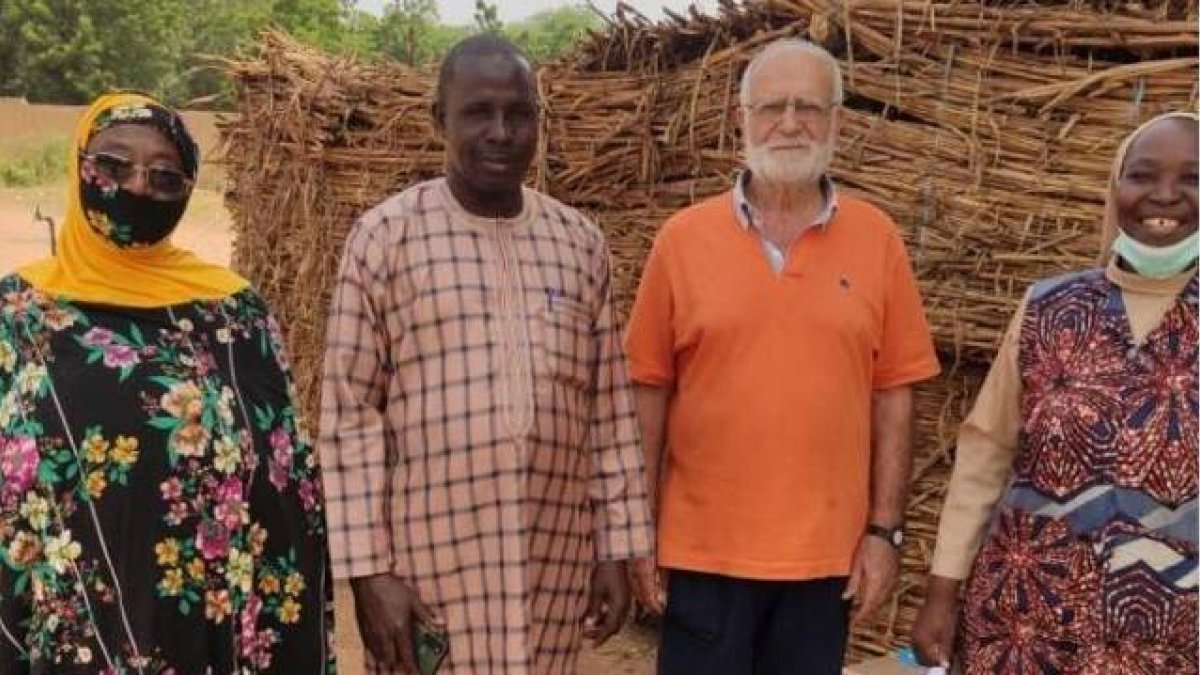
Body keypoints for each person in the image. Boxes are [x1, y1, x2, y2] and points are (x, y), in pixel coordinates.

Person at [318, 34, 654, 675]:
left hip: (553, 562)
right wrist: (368, 573)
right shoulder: (386, 238)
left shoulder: (578, 242)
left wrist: (615, 548)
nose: (501, 131)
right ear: (440, 120)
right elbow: (349, 416)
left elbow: (608, 410)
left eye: (519, 113)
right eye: (478, 112)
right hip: (430, 567)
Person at [624, 38, 941, 674]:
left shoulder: (877, 240)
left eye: (808, 107)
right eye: (772, 107)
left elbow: (894, 397)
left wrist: (884, 534)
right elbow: (648, 392)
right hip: (703, 557)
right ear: (742, 119)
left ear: (837, 122)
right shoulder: (682, 241)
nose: (790, 123)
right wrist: (639, 529)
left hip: (824, 563)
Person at [0, 92, 335, 674]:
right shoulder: (19, 315)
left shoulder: (233, 312)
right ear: (80, 161)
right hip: (77, 616)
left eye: (163, 175)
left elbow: (286, 481)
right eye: (112, 164)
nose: (136, 185)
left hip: (210, 618)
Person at [912, 112, 1199, 673]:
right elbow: (985, 451)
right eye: (1143, 176)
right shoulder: (1049, 307)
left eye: (1192, 179)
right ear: (1116, 189)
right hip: (1023, 621)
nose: (1164, 196)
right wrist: (941, 591)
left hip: (1171, 633)